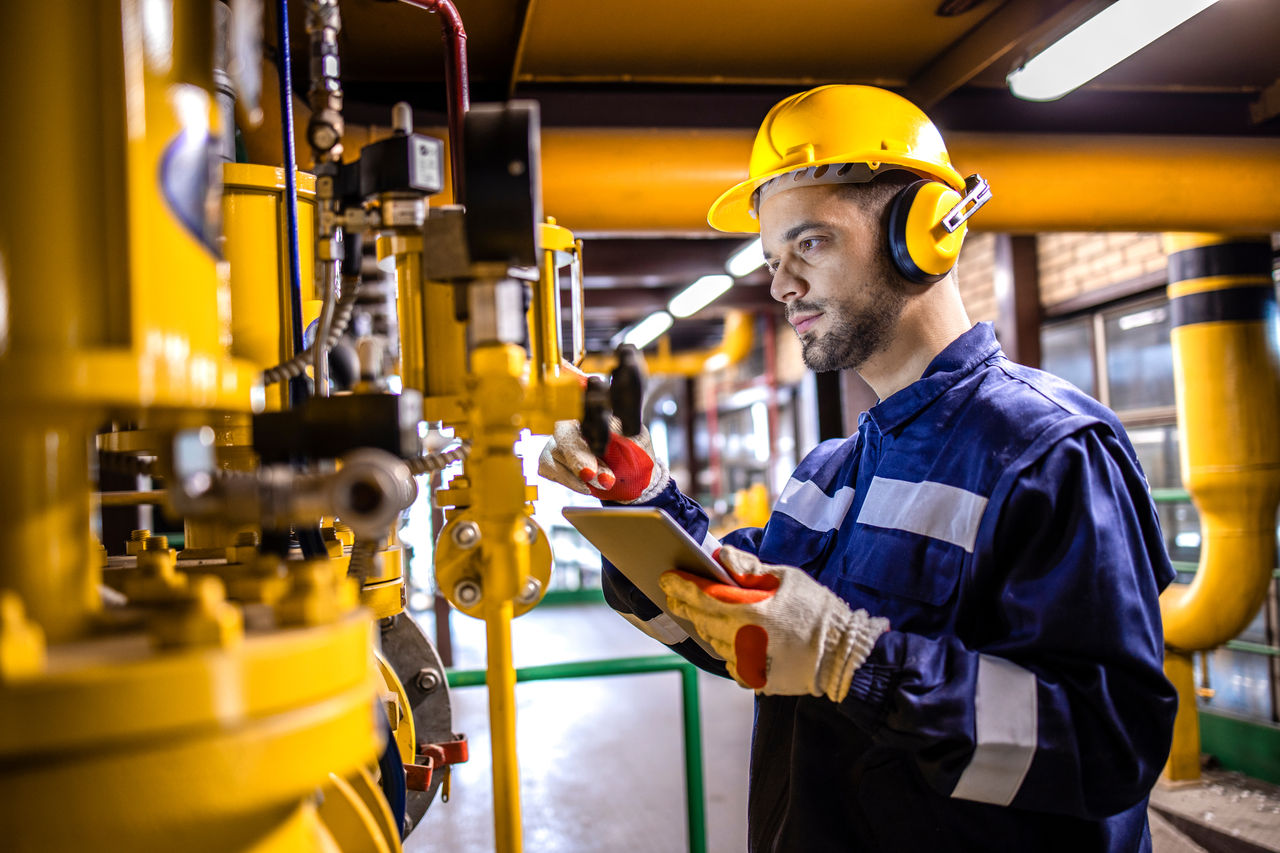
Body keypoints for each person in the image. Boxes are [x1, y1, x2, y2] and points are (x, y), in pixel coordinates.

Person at [539, 84, 1176, 852]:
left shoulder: (1048, 451)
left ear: (922, 234)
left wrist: (860, 663)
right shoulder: (827, 474)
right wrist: (638, 501)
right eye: (773, 258)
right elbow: (732, 633)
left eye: (809, 243)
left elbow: (1111, 747)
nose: (780, 284)